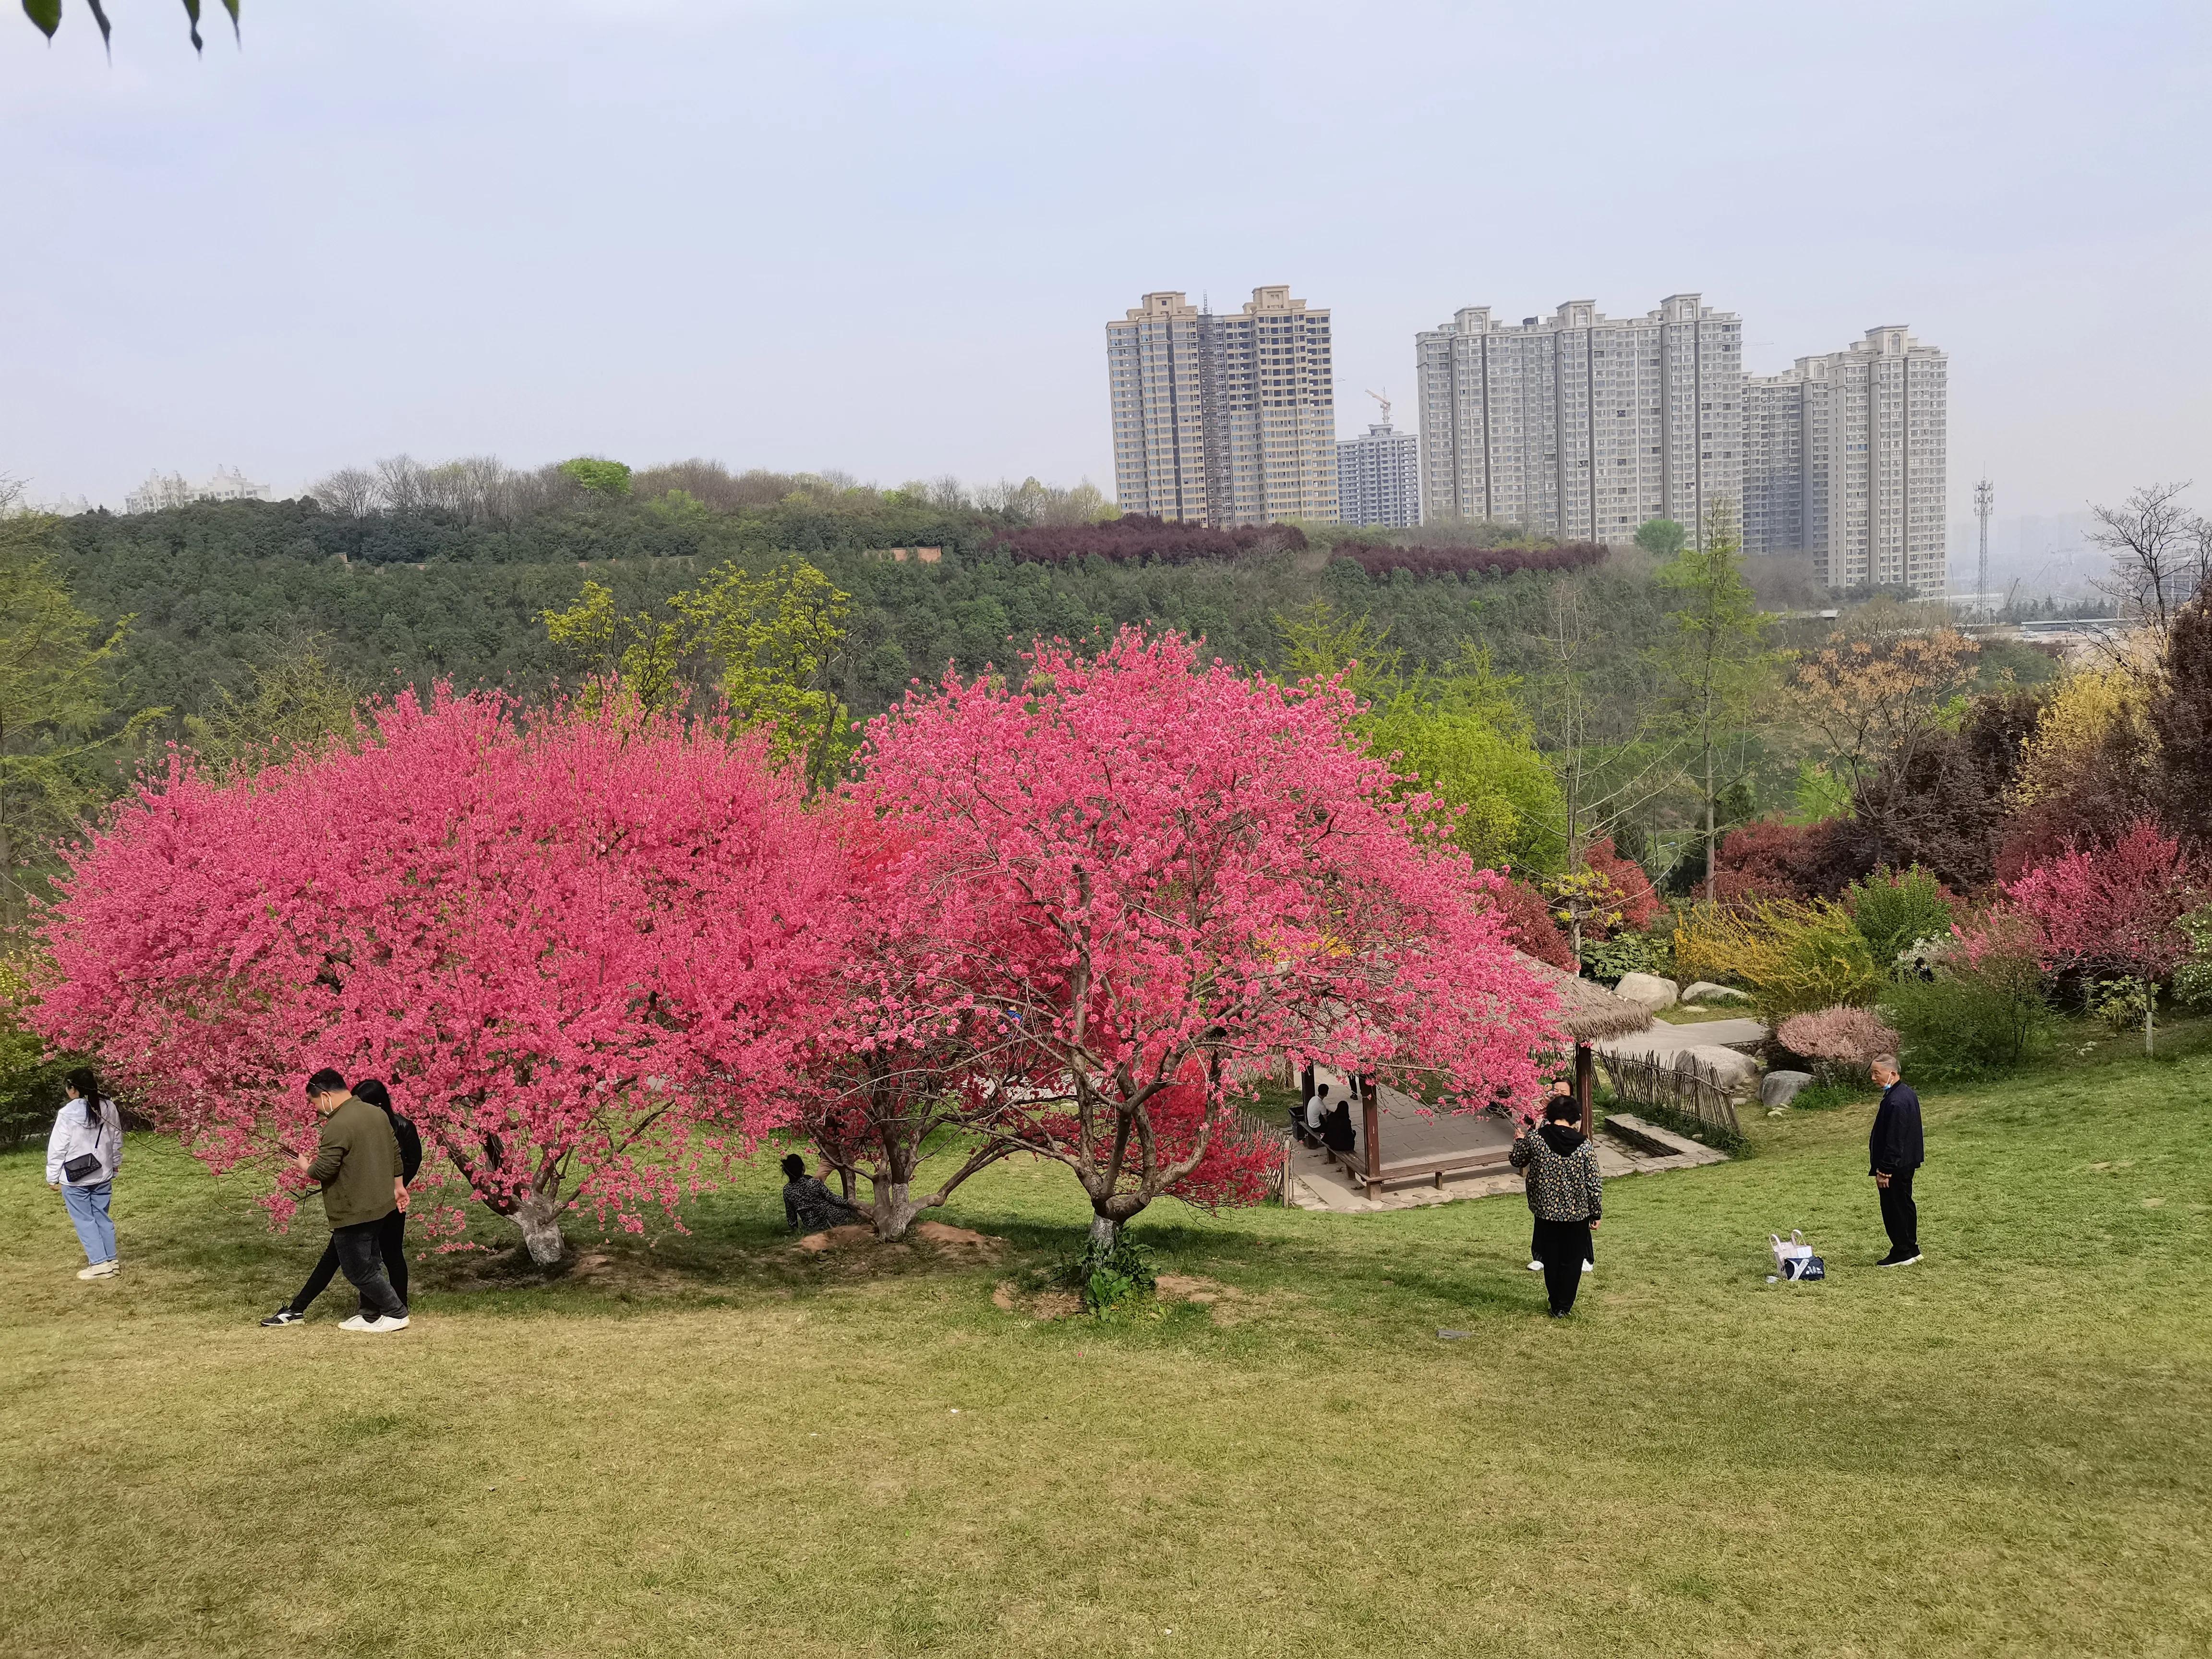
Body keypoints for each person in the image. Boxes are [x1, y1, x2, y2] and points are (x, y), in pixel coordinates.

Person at [263, 1077, 419, 1326]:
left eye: (314, 1102)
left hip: (353, 1206)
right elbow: (396, 1155)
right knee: (371, 1262)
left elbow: (323, 1171)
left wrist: (305, 1165)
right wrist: (399, 1187)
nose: (315, 1109)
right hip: (381, 1204)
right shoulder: (377, 1114)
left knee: (359, 1270)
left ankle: (395, 1312)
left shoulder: (337, 1124)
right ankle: (370, 1315)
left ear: (325, 1096)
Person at [1510, 1094, 1603, 1317]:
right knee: (1572, 1260)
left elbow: (1517, 1160)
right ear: (1575, 1118)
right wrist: (1596, 1212)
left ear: (1549, 1115)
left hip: (1545, 1211)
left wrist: (1520, 1141)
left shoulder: (1536, 1139)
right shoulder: (1584, 1146)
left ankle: (1555, 1303)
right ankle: (1565, 1305)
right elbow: (1594, 1182)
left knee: (1551, 1258)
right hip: (1577, 1213)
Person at [46, 1066, 124, 1280]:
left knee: (84, 1219)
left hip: (75, 1176)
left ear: (72, 1089)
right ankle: (111, 1260)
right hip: (103, 1172)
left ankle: (99, 1264)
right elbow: (116, 1137)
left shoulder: (68, 1113)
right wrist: (115, 1162)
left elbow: (58, 1147)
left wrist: (52, 1176)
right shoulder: (108, 1106)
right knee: (102, 1217)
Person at [1526, 1081, 1593, 1278]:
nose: (1559, 1094)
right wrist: (1543, 1109)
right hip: (1546, 1179)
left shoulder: (1573, 1115)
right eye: (1556, 1090)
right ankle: (1540, 1257)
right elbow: (1531, 1124)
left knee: (1579, 1221)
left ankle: (1585, 1258)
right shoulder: (1545, 1112)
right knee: (1543, 1219)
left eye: (1564, 1092)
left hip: (1569, 1173)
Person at [1868, 1053, 1924, 1266]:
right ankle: (1911, 1247)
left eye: (1877, 1073)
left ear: (1892, 1073)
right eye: (1872, 1073)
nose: (1874, 1078)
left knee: (1894, 1208)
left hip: (1897, 1166)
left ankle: (1902, 1251)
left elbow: (1895, 1138)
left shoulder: (1897, 1101)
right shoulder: (1904, 1093)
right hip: (1906, 1162)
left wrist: (1885, 1170)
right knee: (1905, 1204)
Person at [782, 1153, 867, 1233]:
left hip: (812, 1225)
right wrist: (852, 1204)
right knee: (855, 1212)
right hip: (831, 1218)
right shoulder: (813, 1183)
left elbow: (791, 1214)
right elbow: (834, 1200)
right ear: (803, 1168)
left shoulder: (787, 1190)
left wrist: (795, 1229)